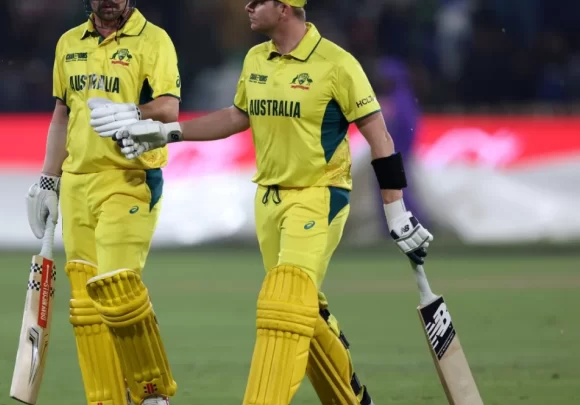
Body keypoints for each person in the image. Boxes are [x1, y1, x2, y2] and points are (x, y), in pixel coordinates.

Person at [89, 1, 433, 405]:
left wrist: (397, 211)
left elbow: (381, 140)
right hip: (268, 200)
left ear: (285, 8)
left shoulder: (337, 64)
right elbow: (237, 117)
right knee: (302, 309)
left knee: (283, 302)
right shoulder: (255, 58)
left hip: (318, 196)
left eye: (257, 2)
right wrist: (168, 134)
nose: (247, 8)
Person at [25, 1, 181, 405]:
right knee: (86, 305)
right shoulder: (68, 43)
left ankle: (152, 393)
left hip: (130, 178)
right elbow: (62, 114)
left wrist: (132, 111)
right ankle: (108, 399)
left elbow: (168, 108)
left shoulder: (154, 40)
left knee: (117, 288)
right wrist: (48, 178)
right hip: (77, 184)